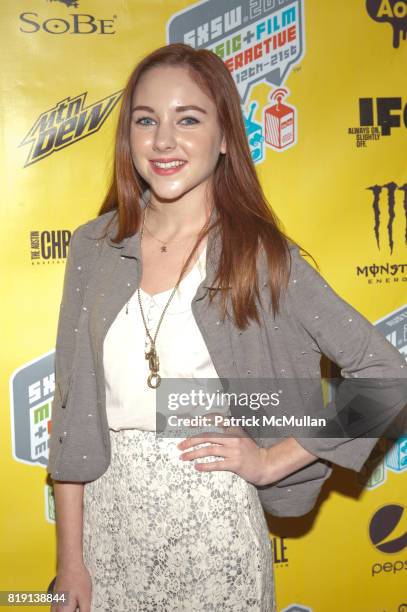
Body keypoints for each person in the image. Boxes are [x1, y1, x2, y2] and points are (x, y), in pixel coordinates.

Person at [49, 43, 406, 612]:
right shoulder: (92, 249)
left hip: (215, 529)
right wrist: (70, 563)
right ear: (129, 138)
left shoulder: (260, 259)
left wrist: (270, 460)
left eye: (187, 119)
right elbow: (70, 418)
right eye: (147, 120)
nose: (164, 140)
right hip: (106, 527)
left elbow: (389, 379)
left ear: (224, 138)